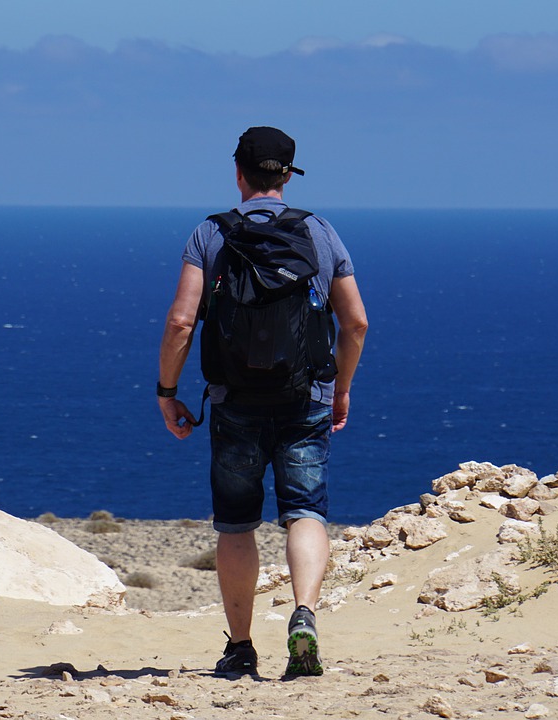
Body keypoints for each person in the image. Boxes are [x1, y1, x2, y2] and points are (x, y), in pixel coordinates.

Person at [155, 126, 368, 677]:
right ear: (287, 175)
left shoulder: (210, 234)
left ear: (239, 173)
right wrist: (340, 389)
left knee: (236, 523)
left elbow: (181, 321)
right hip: (306, 397)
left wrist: (167, 392)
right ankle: (303, 614)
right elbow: (356, 322)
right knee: (305, 511)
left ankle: (241, 646)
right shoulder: (319, 232)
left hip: (233, 400)